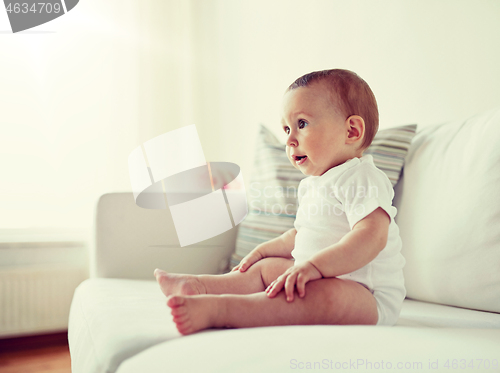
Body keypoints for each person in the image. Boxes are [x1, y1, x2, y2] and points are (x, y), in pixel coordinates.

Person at [154, 69, 406, 335]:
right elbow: (300, 235)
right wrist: (265, 251)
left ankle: (221, 310)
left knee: (325, 296)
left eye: (302, 124)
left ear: (352, 131)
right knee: (265, 269)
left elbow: (371, 236)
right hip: (313, 275)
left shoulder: (361, 176)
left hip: (367, 295)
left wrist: (315, 267)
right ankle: (200, 288)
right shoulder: (312, 184)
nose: (289, 140)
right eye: (286, 128)